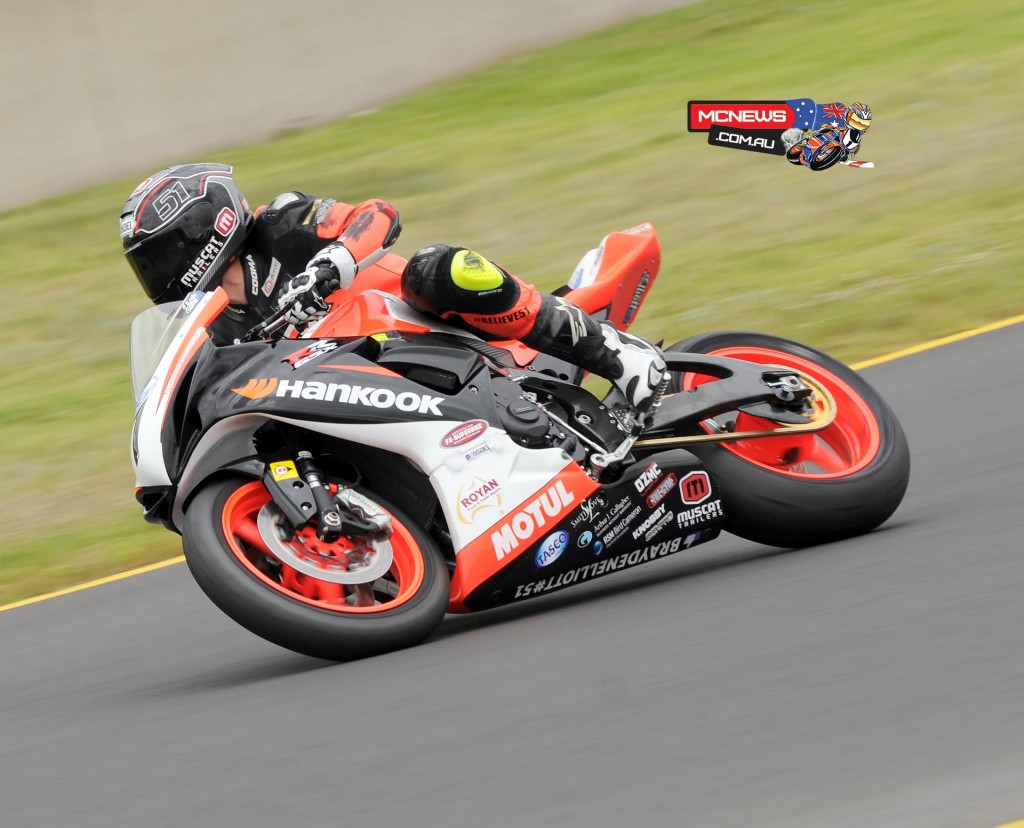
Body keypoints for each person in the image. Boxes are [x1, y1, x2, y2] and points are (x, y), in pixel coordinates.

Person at [120, 163, 667, 413]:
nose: (158, 274)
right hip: (375, 389)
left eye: (164, 254)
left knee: (435, 268)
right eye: (147, 264)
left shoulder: (280, 221)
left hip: (437, 329)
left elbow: (376, 215)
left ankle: (613, 352)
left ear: (206, 228)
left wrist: (333, 262)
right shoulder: (215, 324)